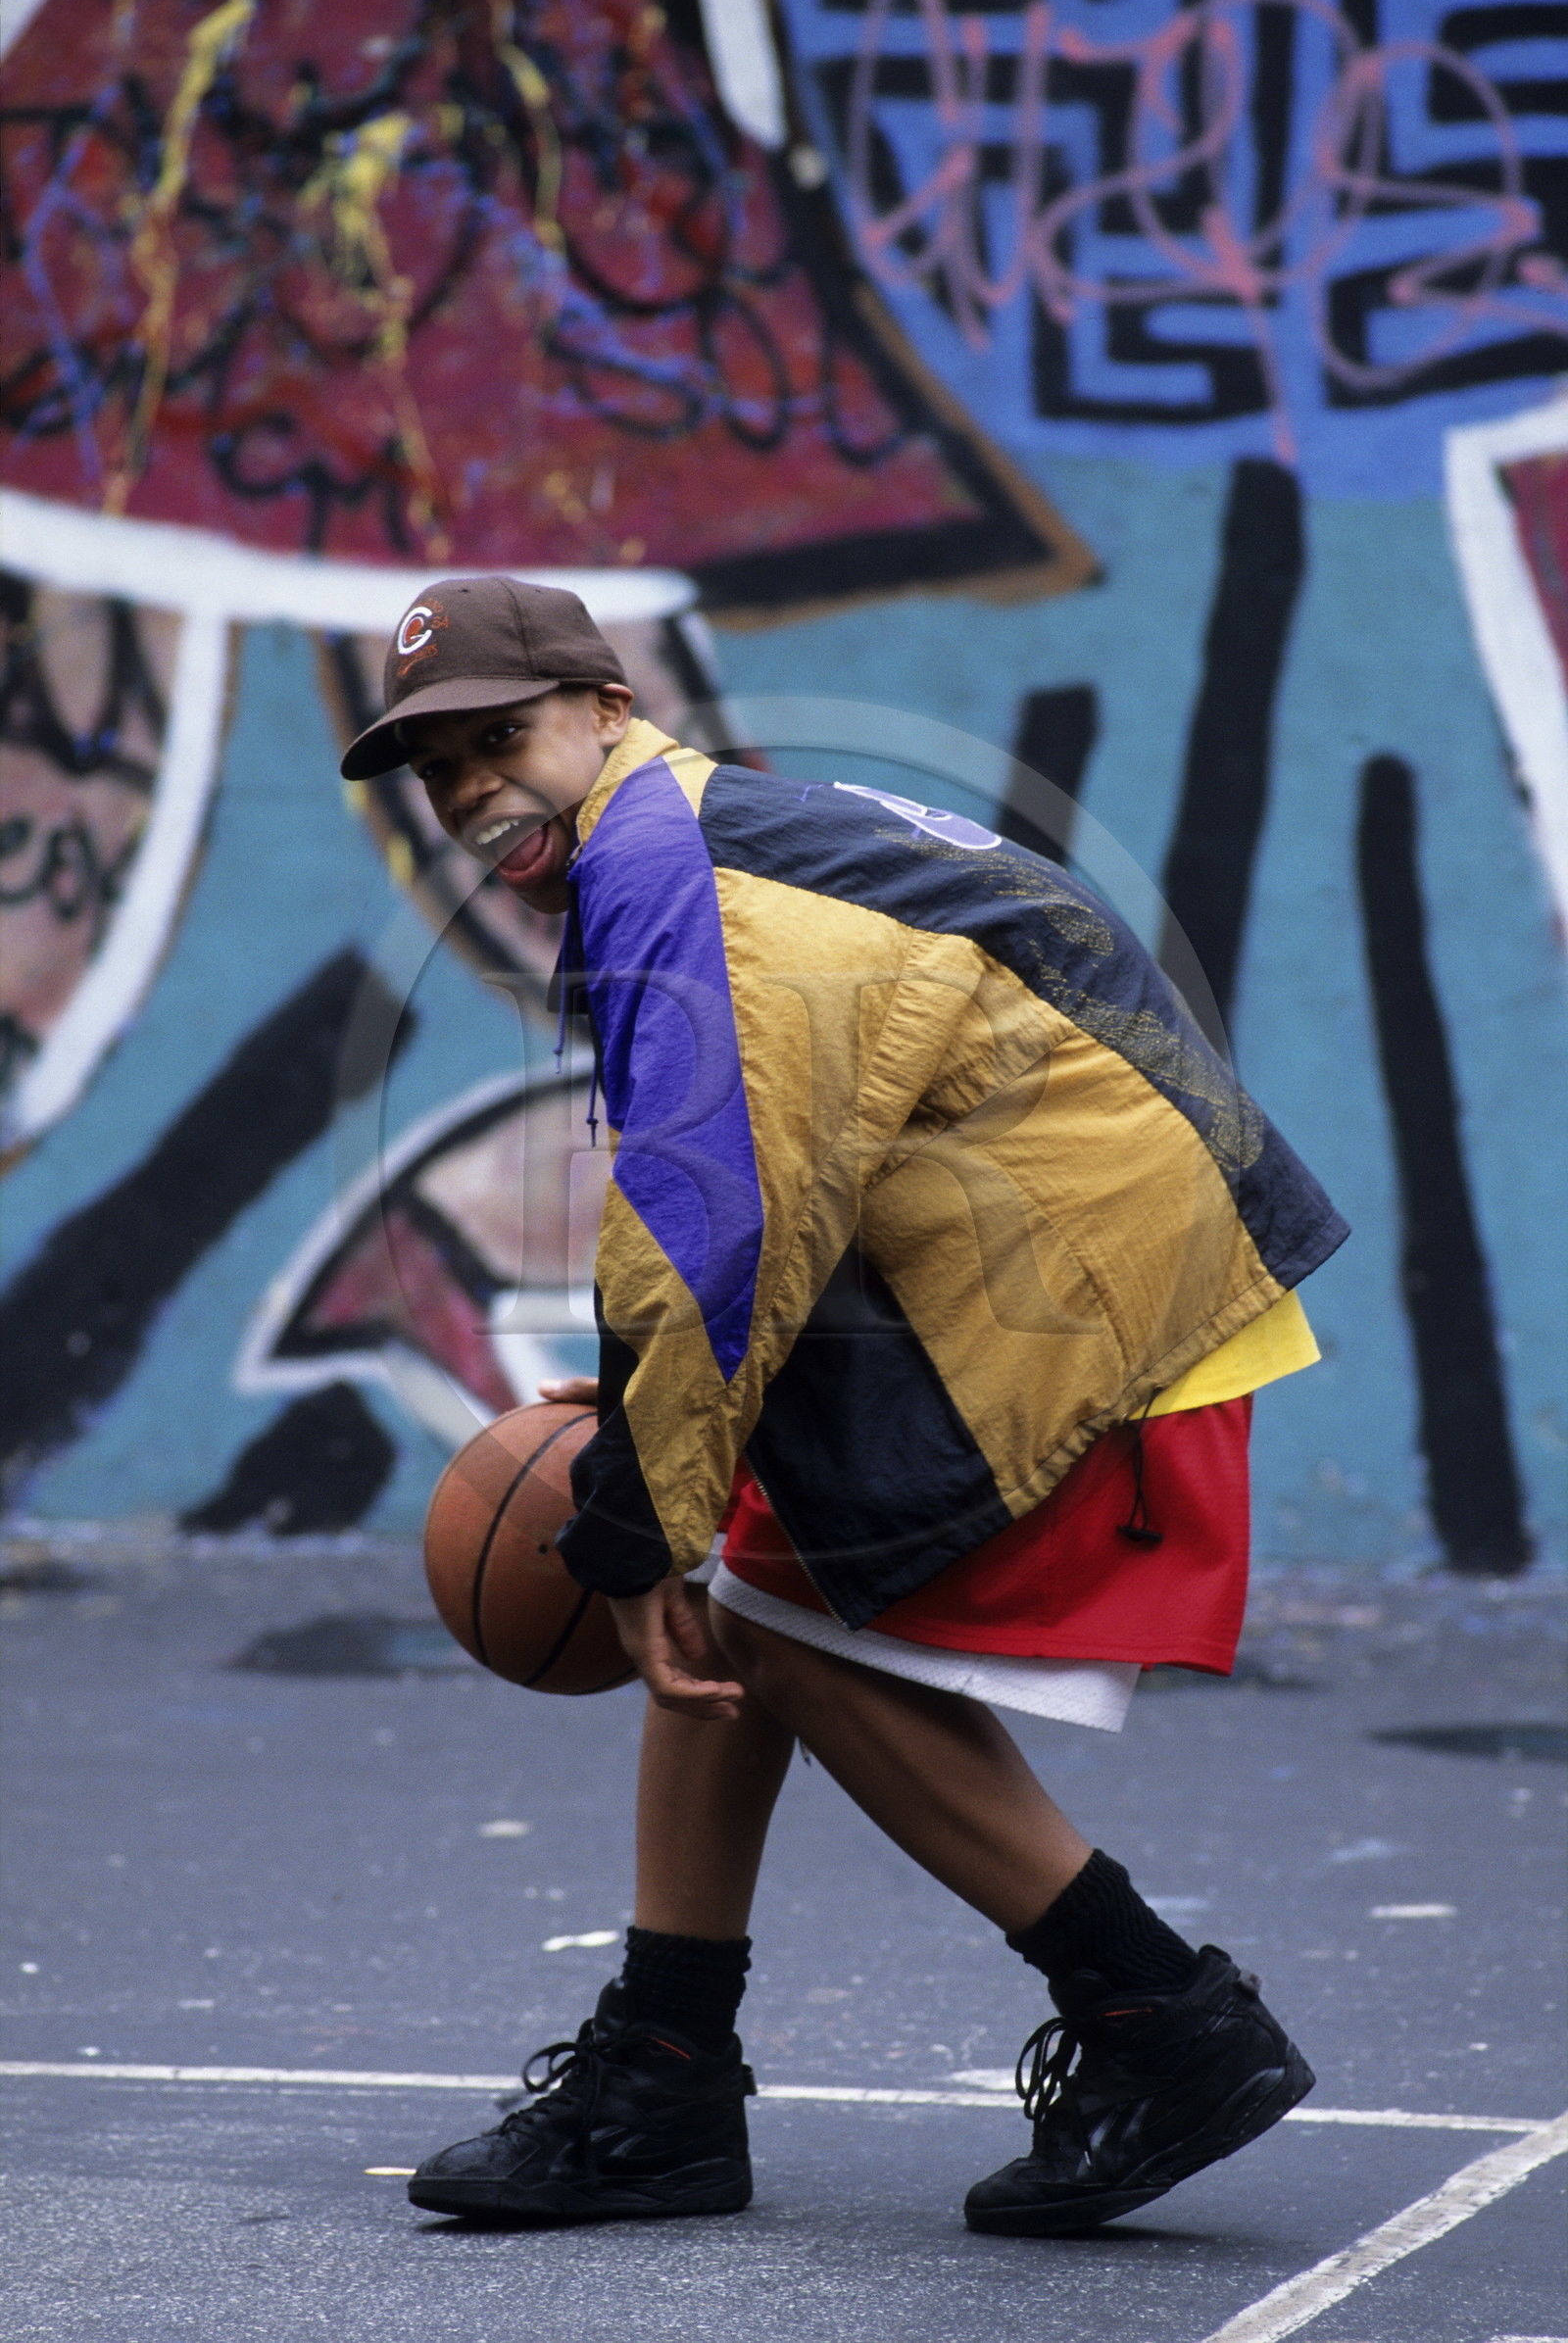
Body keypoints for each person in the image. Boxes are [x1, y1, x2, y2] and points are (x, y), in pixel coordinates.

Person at [339, 575, 1348, 2234]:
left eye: (497, 738)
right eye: (438, 773)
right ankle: (663, 2074)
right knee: (730, 1552)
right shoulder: (688, 843)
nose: (470, 796)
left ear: (602, 707)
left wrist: (633, 1516)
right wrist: (649, 1445)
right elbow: (734, 1203)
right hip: (1061, 1263)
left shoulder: (698, 892)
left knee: (755, 1619)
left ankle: (1156, 2016)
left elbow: (706, 1231)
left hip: (1110, 1312)